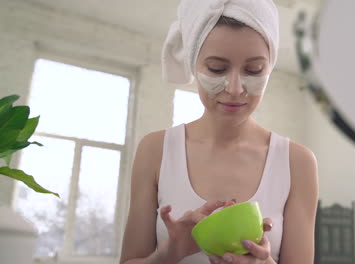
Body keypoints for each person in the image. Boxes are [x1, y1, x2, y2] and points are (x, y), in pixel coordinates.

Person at [120, 0, 318, 263]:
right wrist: (168, 254)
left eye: (254, 70)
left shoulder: (297, 162)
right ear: (194, 64)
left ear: (270, 68)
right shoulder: (155, 150)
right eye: (216, 68)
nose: (235, 88)